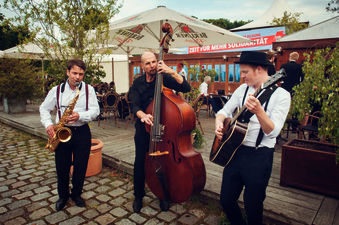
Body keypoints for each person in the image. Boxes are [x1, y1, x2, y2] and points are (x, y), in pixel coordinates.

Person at [215, 51, 291, 225]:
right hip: (235, 151)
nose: (241, 76)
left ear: (258, 69)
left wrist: (259, 112)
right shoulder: (242, 90)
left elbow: (274, 132)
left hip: (260, 155)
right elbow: (223, 112)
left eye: (245, 72)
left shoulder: (282, 95)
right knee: (226, 200)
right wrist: (220, 124)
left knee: (253, 206)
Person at [128, 51, 191, 213]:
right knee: (140, 163)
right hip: (144, 129)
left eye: (154, 62)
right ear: (142, 66)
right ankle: (138, 196)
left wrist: (171, 71)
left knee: (164, 162)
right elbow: (134, 105)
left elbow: (186, 87)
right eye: (147, 63)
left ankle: (163, 195)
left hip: (164, 132)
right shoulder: (138, 83)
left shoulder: (165, 79)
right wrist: (143, 115)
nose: (152, 66)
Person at [40, 59, 100, 211]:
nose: (77, 77)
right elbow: (44, 109)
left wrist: (80, 115)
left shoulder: (88, 89)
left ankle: (76, 194)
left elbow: (95, 111)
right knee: (62, 167)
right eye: (74, 73)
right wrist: (48, 125)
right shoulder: (57, 90)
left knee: (81, 167)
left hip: (82, 132)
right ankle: (63, 196)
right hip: (62, 131)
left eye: (80, 74)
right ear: (67, 72)